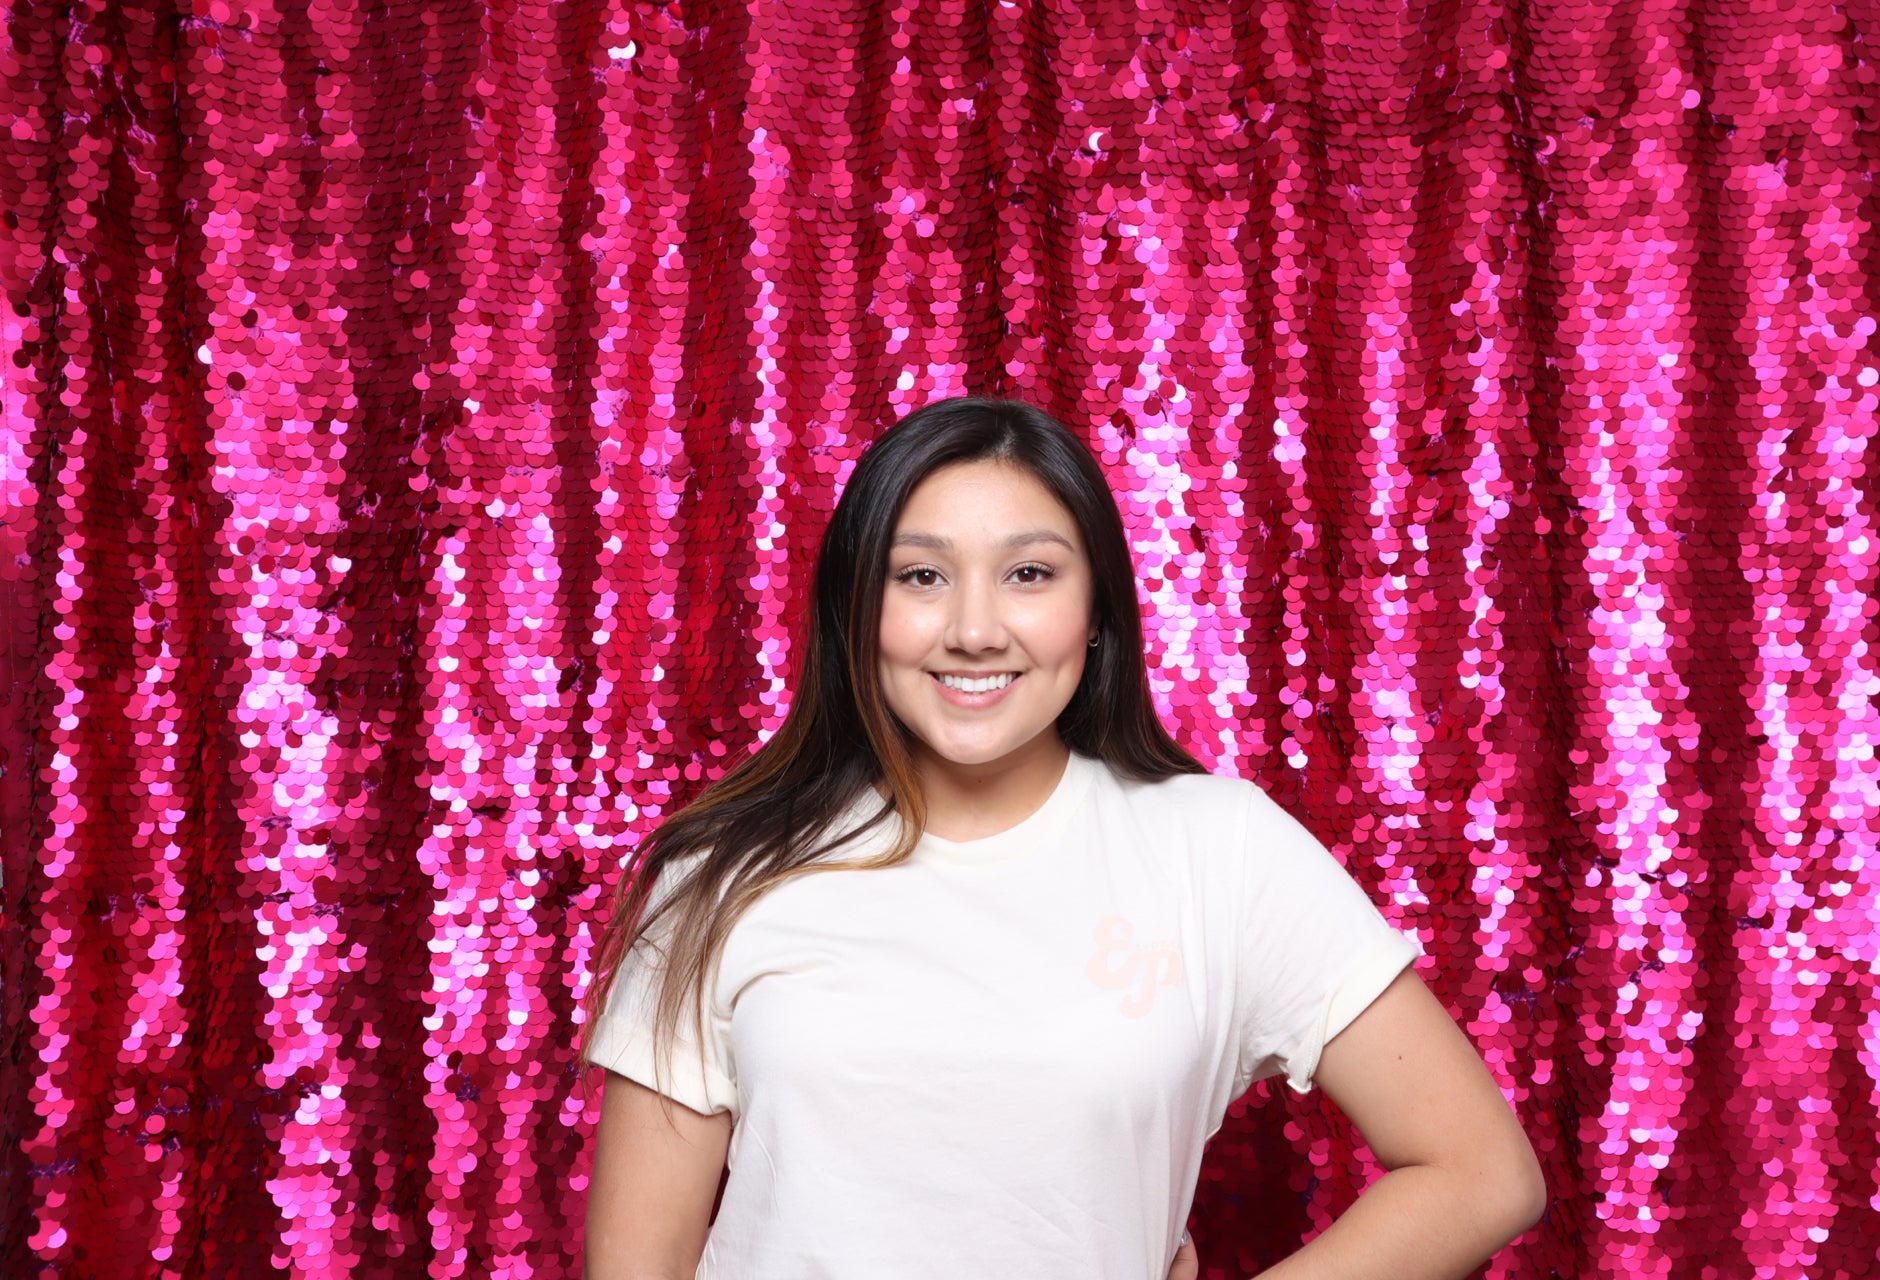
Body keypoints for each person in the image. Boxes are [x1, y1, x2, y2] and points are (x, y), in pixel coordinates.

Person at [579, 397, 1545, 1280]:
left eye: (1029, 575)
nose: (974, 630)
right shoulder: (720, 872)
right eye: (921, 576)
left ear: (1095, 614)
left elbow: (1480, 1172)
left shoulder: (1218, 848)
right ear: (857, 608)